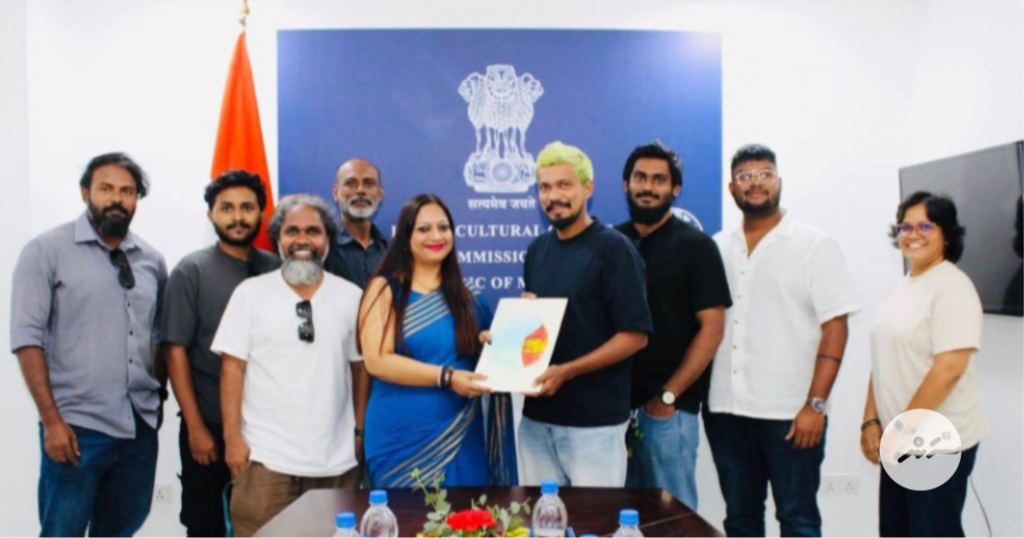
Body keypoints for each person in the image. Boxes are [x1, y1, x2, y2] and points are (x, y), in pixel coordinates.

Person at [705, 144, 860, 538]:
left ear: (779, 181)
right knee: (740, 519)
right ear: (732, 187)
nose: (755, 183)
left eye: (765, 174)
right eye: (745, 176)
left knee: (798, 520)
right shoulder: (717, 246)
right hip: (726, 410)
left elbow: (836, 327)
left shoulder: (814, 245)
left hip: (791, 415)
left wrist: (816, 405)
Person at [11, 152, 167, 537]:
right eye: (106, 189)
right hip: (76, 429)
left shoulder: (151, 260)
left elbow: (158, 338)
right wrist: (51, 421)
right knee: (62, 531)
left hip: (138, 428)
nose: (117, 199)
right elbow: (27, 338)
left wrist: (156, 402)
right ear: (86, 193)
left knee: (121, 528)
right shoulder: (46, 251)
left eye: (127, 191)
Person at [213, 195, 367, 538]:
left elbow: (361, 370)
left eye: (313, 231)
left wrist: (359, 431)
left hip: (335, 464)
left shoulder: (350, 296)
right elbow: (231, 370)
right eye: (292, 231)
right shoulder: (250, 294)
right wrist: (232, 439)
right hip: (265, 463)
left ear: (327, 239)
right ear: (278, 239)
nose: (302, 240)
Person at [358, 194, 517, 487]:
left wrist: (501, 335)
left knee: (466, 514)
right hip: (400, 440)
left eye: (443, 228)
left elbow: (494, 363)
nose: (436, 236)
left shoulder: (471, 297)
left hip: (462, 436)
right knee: (406, 515)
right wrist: (447, 377)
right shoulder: (384, 289)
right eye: (424, 229)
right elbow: (377, 361)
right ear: (406, 236)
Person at [519, 141, 653, 487]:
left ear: (587, 188)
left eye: (564, 185)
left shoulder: (614, 249)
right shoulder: (537, 250)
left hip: (595, 426)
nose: (553, 196)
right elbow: (545, 330)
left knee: (595, 517)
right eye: (544, 187)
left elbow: (635, 335)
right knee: (542, 516)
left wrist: (568, 371)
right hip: (536, 421)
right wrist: (515, 328)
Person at [861, 191, 990, 538]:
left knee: (931, 531)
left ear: (946, 233)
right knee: (896, 530)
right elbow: (883, 356)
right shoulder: (905, 285)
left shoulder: (953, 288)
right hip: (901, 438)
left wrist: (902, 432)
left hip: (935, 441)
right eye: (906, 226)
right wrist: (871, 420)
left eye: (925, 226)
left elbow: (949, 369)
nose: (913, 234)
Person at [161, 170, 280, 538]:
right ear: (210, 214)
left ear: (262, 213)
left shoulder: (276, 268)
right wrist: (196, 427)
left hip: (269, 429)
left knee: (269, 527)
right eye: (227, 208)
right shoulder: (192, 270)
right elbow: (174, 350)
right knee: (208, 526)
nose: (237, 217)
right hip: (209, 427)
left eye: (247, 207)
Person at [615, 141, 730, 510]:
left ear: (675, 189)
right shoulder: (610, 243)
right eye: (640, 178)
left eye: (659, 180)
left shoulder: (697, 247)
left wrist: (668, 396)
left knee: (672, 519)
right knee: (616, 518)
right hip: (611, 415)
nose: (648, 187)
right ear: (626, 184)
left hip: (668, 412)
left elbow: (712, 329)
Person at [325, 158, 388, 288]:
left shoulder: (390, 250)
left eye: (369, 183)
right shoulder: (322, 247)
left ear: (380, 193)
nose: (360, 190)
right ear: (336, 193)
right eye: (351, 183)